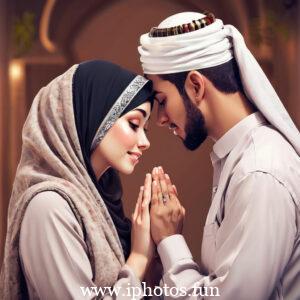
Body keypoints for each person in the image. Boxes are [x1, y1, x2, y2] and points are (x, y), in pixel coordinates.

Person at [138, 11, 300, 299]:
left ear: (196, 85)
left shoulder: (259, 171)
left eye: (162, 100)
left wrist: (170, 240)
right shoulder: (239, 159)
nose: (161, 119)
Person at [0, 60, 157, 299]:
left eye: (146, 129)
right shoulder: (49, 207)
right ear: (94, 117)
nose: (145, 142)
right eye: (134, 124)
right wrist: (138, 257)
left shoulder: (100, 199)